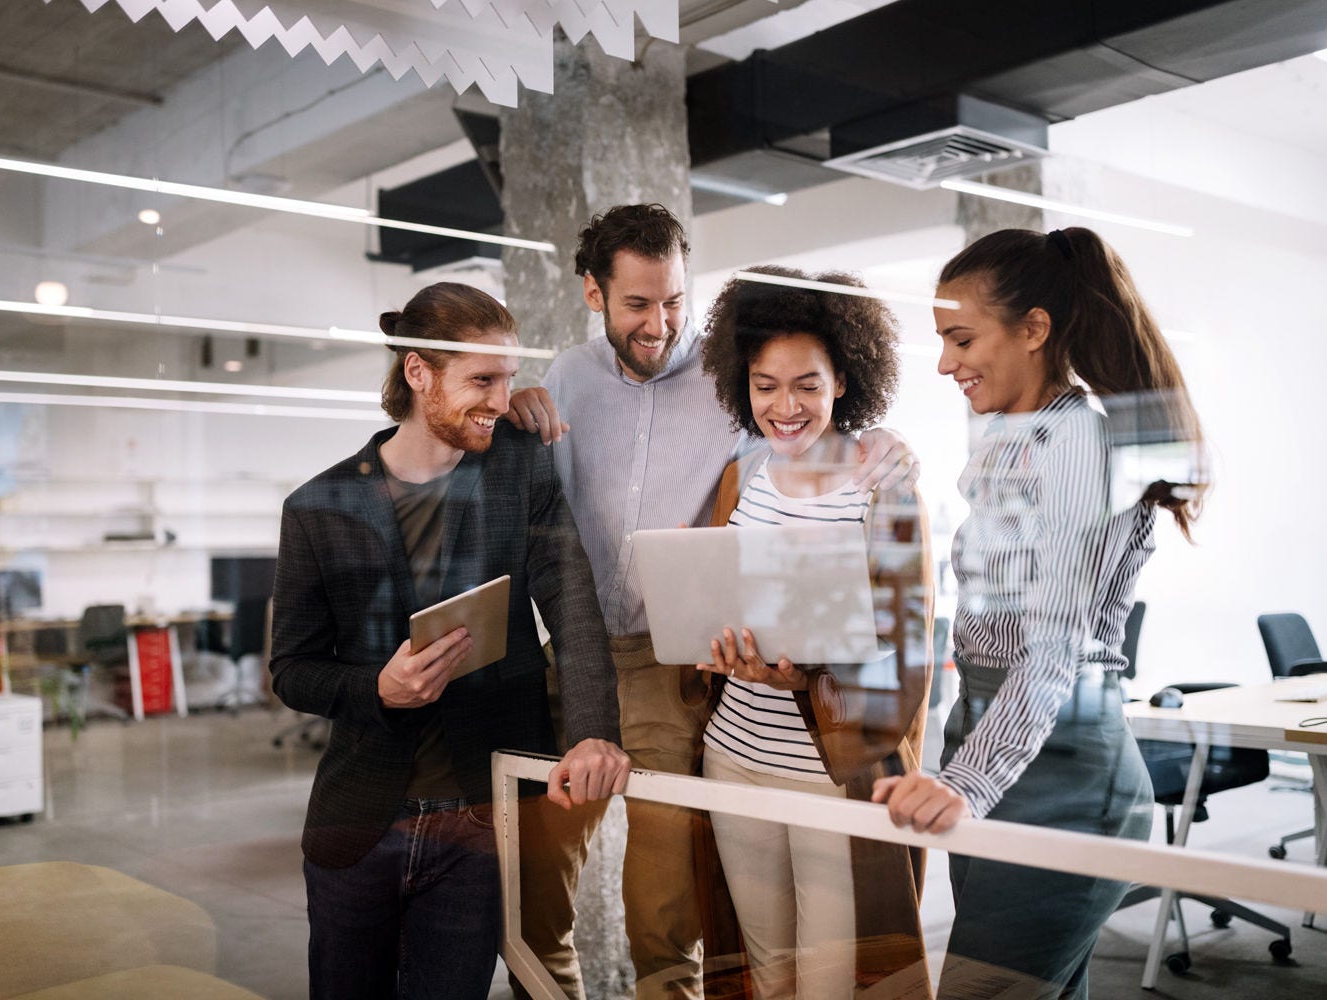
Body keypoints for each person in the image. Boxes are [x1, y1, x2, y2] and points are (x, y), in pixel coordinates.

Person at [505, 203, 918, 1000]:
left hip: (674, 660)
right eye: (637, 304)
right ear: (593, 293)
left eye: (674, 301)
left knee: (664, 900)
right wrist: (516, 408)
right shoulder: (567, 376)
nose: (660, 323)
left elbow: (804, 436)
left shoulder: (727, 381)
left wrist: (885, 441)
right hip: (581, 651)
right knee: (533, 880)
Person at [871, 227, 1207, 999]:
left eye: (961, 338)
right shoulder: (1014, 438)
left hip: (1060, 768)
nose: (946, 362)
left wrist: (968, 784)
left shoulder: (1075, 446)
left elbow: (1055, 649)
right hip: (1000, 742)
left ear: (1034, 330)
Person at [269, 282, 629, 1000]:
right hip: (361, 823)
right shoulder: (317, 508)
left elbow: (574, 605)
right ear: (417, 374)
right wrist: (376, 688)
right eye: (483, 380)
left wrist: (593, 734)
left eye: (508, 378)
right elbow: (291, 670)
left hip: (481, 822)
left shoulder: (517, 469)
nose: (503, 398)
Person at [695, 266, 933, 999]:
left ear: (843, 381)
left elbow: (908, 649)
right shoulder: (742, 477)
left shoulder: (882, 485)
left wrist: (808, 678)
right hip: (734, 756)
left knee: (831, 981)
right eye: (765, 385)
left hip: (831, 772)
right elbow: (714, 589)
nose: (785, 406)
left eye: (806, 384)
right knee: (764, 974)